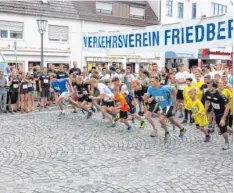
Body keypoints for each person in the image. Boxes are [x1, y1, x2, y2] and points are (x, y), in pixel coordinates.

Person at [145, 74, 187, 138]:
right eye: (150, 81)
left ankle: (166, 132)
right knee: (171, 120)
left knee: (161, 119)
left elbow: (174, 88)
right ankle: (182, 129)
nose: (151, 83)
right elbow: (150, 94)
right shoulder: (150, 88)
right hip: (162, 106)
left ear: (158, 81)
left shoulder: (165, 88)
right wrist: (149, 98)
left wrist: (174, 98)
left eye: (153, 81)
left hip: (169, 105)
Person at [205, 79, 230, 150]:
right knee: (223, 126)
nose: (208, 88)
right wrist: (205, 111)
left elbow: (227, 107)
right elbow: (207, 102)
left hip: (224, 112)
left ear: (214, 87)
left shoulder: (220, 95)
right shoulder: (207, 93)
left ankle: (227, 143)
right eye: (207, 86)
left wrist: (223, 119)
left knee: (222, 129)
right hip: (216, 112)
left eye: (209, 86)